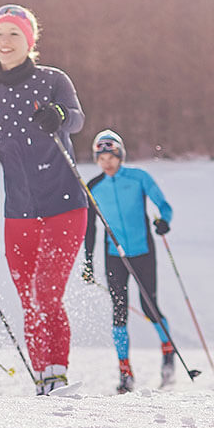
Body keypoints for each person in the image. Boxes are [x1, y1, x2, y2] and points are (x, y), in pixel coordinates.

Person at [0, 3, 88, 395]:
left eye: (14, 35)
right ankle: (43, 377)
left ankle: (58, 372)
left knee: (47, 293)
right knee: (29, 299)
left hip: (65, 204)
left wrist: (59, 114)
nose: (5, 42)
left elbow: (77, 118)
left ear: (29, 40)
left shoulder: (53, 81)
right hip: (19, 213)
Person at [81, 129, 178, 393]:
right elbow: (89, 229)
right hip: (114, 257)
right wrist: (87, 262)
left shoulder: (139, 178)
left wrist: (163, 222)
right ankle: (125, 372)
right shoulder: (93, 187)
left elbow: (164, 206)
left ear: (120, 155)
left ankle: (168, 353)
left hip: (143, 252)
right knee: (119, 312)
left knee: (149, 307)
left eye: (111, 155)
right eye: (101, 157)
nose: (106, 162)